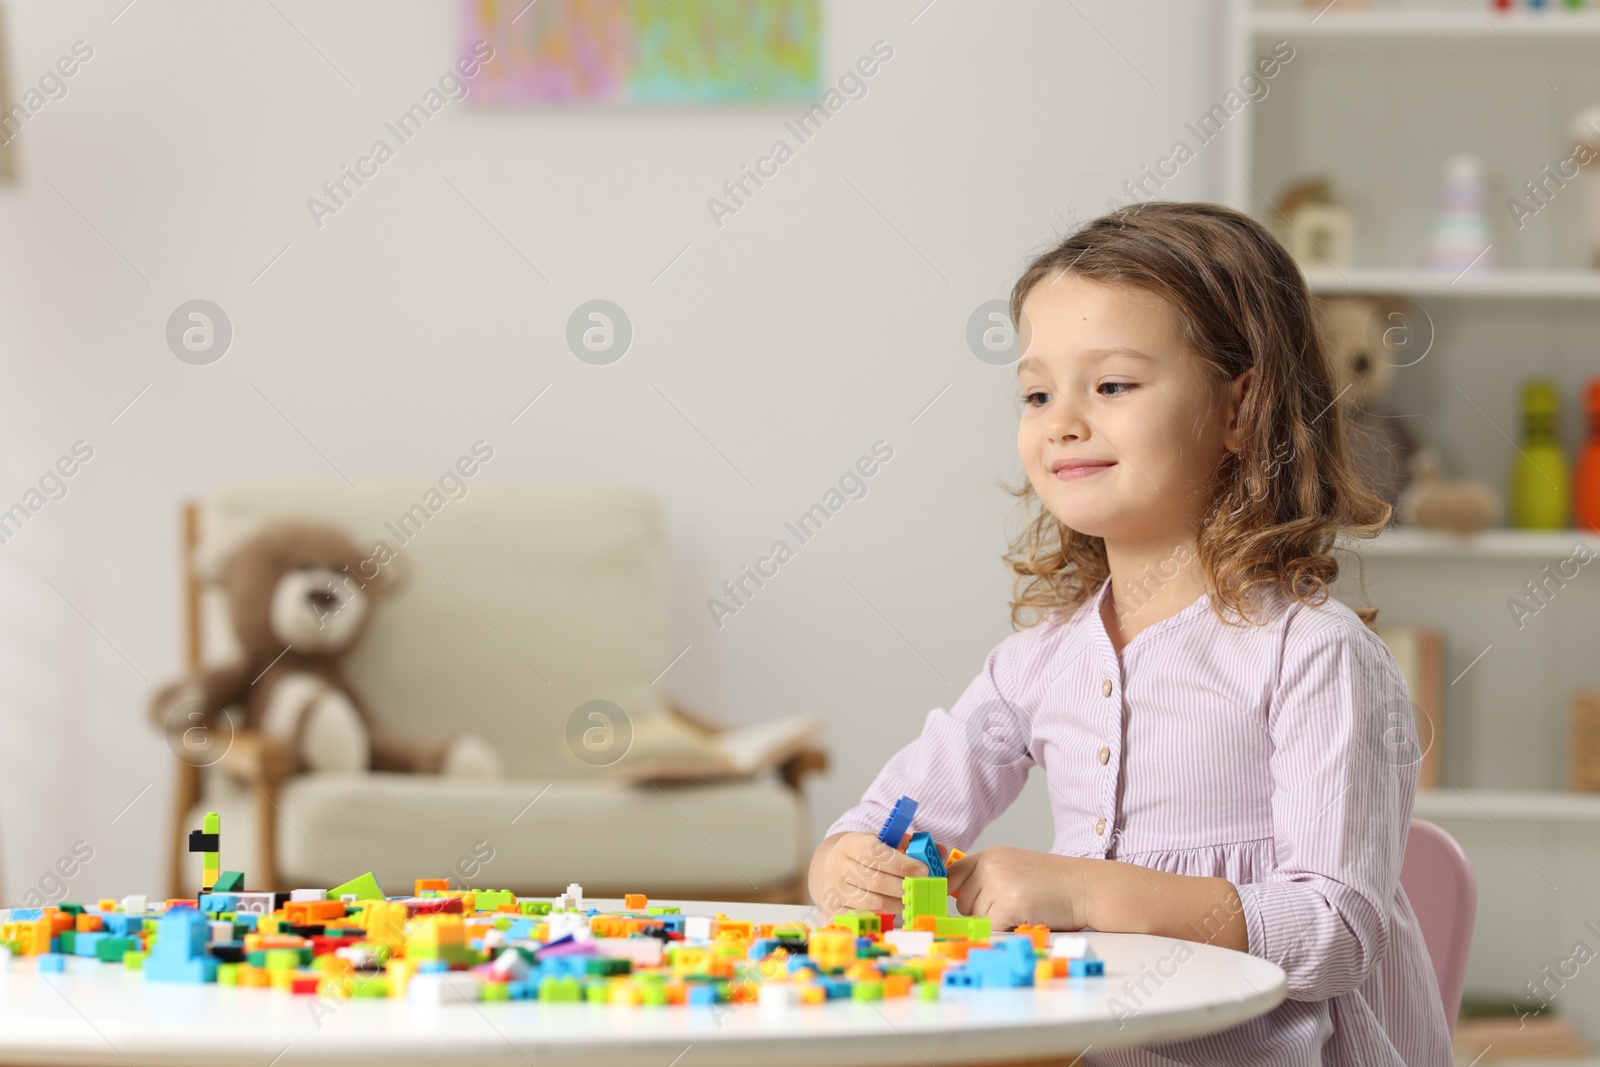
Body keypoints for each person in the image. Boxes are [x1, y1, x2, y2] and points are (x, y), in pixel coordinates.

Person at [808, 202, 1453, 1065]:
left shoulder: (1315, 656)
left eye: (1111, 384)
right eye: (1038, 392)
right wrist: (847, 866)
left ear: (1240, 409)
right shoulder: (1034, 667)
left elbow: (1334, 933)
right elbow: (879, 823)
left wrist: (1079, 887)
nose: (1063, 419)